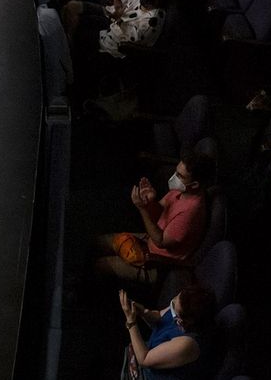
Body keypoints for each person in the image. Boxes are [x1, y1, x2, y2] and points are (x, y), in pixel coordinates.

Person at [97, 152, 213, 286]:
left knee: (102, 265)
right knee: (99, 243)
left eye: (180, 176)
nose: (174, 177)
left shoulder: (191, 213)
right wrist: (150, 202)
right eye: (176, 171)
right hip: (149, 243)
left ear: (194, 185)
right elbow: (160, 212)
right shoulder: (181, 191)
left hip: (158, 263)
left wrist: (142, 209)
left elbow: (160, 240)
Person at [117, 285, 217, 380]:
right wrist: (143, 312)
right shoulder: (180, 305)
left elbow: (144, 359)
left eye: (175, 310)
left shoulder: (187, 344)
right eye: (173, 303)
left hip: (147, 374)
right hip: (148, 349)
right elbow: (160, 318)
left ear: (182, 321)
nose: (171, 307)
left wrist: (131, 322)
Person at [98, 0, 166, 60]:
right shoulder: (141, 3)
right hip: (107, 32)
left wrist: (117, 18)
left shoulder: (153, 20)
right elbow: (122, 11)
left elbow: (133, 38)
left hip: (112, 49)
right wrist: (117, 7)